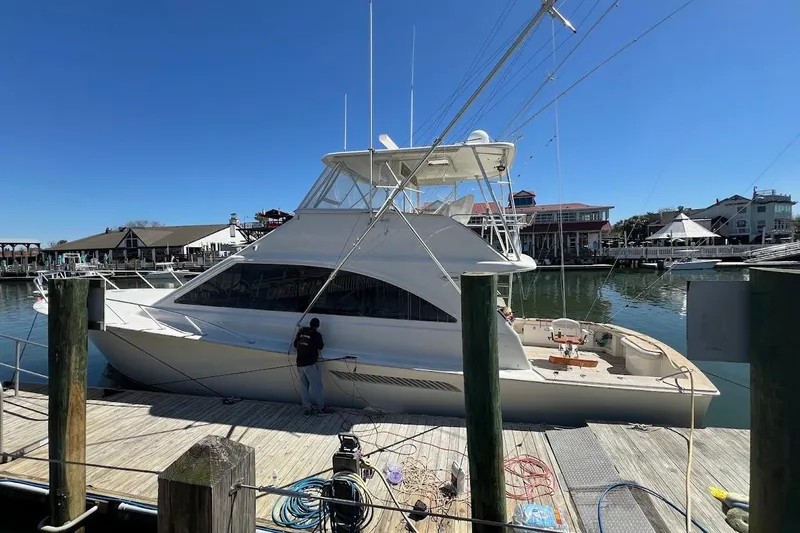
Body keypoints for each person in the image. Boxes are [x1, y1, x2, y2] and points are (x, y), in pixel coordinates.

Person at [293, 318, 332, 415]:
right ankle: (321, 408)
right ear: (317, 326)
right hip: (310, 364)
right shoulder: (317, 335)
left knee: (304, 388)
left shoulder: (301, 331)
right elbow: (321, 346)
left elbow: (295, 345)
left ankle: (307, 409)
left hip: (300, 364)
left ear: (310, 324)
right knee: (317, 387)